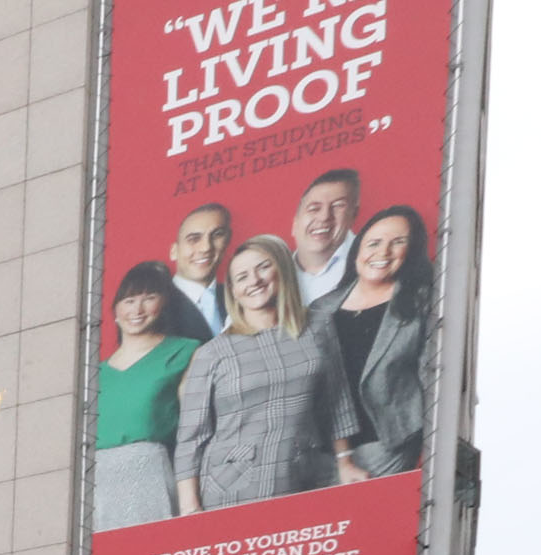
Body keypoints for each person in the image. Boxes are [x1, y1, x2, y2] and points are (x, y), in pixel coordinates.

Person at [175, 237, 367, 512]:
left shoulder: (318, 326)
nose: (254, 280)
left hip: (302, 474)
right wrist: (190, 508)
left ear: (281, 271)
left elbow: (336, 402)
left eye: (263, 267)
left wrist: (345, 461)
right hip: (230, 487)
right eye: (241, 277)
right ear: (234, 291)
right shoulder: (212, 354)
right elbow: (190, 438)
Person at [92, 262, 213, 530]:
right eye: (129, 300)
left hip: (148, 471)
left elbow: (196, 430)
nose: (137, 309)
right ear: (115, 310)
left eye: (149, 299)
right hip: (97, 479)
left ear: (163, 304)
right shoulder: (95, 373)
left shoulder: (186, 351)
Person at [317, 206, 438, 477]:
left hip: (388, 443)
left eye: (398, 242)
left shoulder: (421, 303)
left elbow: (431, 378)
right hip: (324, 451)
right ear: (358, 249)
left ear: (411, 250)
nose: (383, 253)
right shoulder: (320, 309)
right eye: (374, 243)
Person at [289, 167, 363, 303]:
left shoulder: (370, 264)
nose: (324, 217)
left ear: (354, 214)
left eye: (338, 206)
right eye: (314, 208)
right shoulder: (274, 274)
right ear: (295, 222)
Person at [167, 203, 233, 333]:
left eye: (217, 235)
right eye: (194, 239)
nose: (206, 247)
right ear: (174, 251)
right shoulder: (156, 304)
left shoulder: (240, 297)